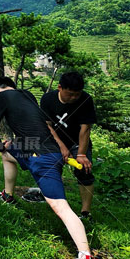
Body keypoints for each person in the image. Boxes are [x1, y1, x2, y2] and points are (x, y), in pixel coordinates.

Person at [0, 77, 105, 259]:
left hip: (43, 156)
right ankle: (7, 195)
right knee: (8, 154)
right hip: (39, 148)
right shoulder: (27, 94)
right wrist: (5, 147)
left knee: (61, 207)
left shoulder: (1, 96)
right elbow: (42, 124)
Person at [40, 72, 98, 218]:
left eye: (77, 94)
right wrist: (61, 146)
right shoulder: (48, 99)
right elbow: (48, 126)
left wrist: (81, 154)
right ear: (60, 87)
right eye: (70, 94)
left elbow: (85, 129)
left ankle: (86, 212)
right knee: (52, 170)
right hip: (54, 140)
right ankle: (56, 205)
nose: (74, 98)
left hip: (77, 141)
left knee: (84, 170)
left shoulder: (85, 100)